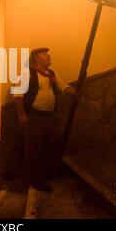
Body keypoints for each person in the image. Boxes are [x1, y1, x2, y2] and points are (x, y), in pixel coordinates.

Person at [13, 48, 75, 192]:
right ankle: (35, 180)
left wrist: (73, 91)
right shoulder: (26, 73)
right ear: (36, 58)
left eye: (47, 53)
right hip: (34, 117)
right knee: (34, 148)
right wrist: (22, 115)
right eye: (44, 54)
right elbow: (17, 94)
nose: (48, 55)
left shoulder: (52, 74)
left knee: (53, 144)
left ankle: (49, 174)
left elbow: (63, 87)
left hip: (49, 117)